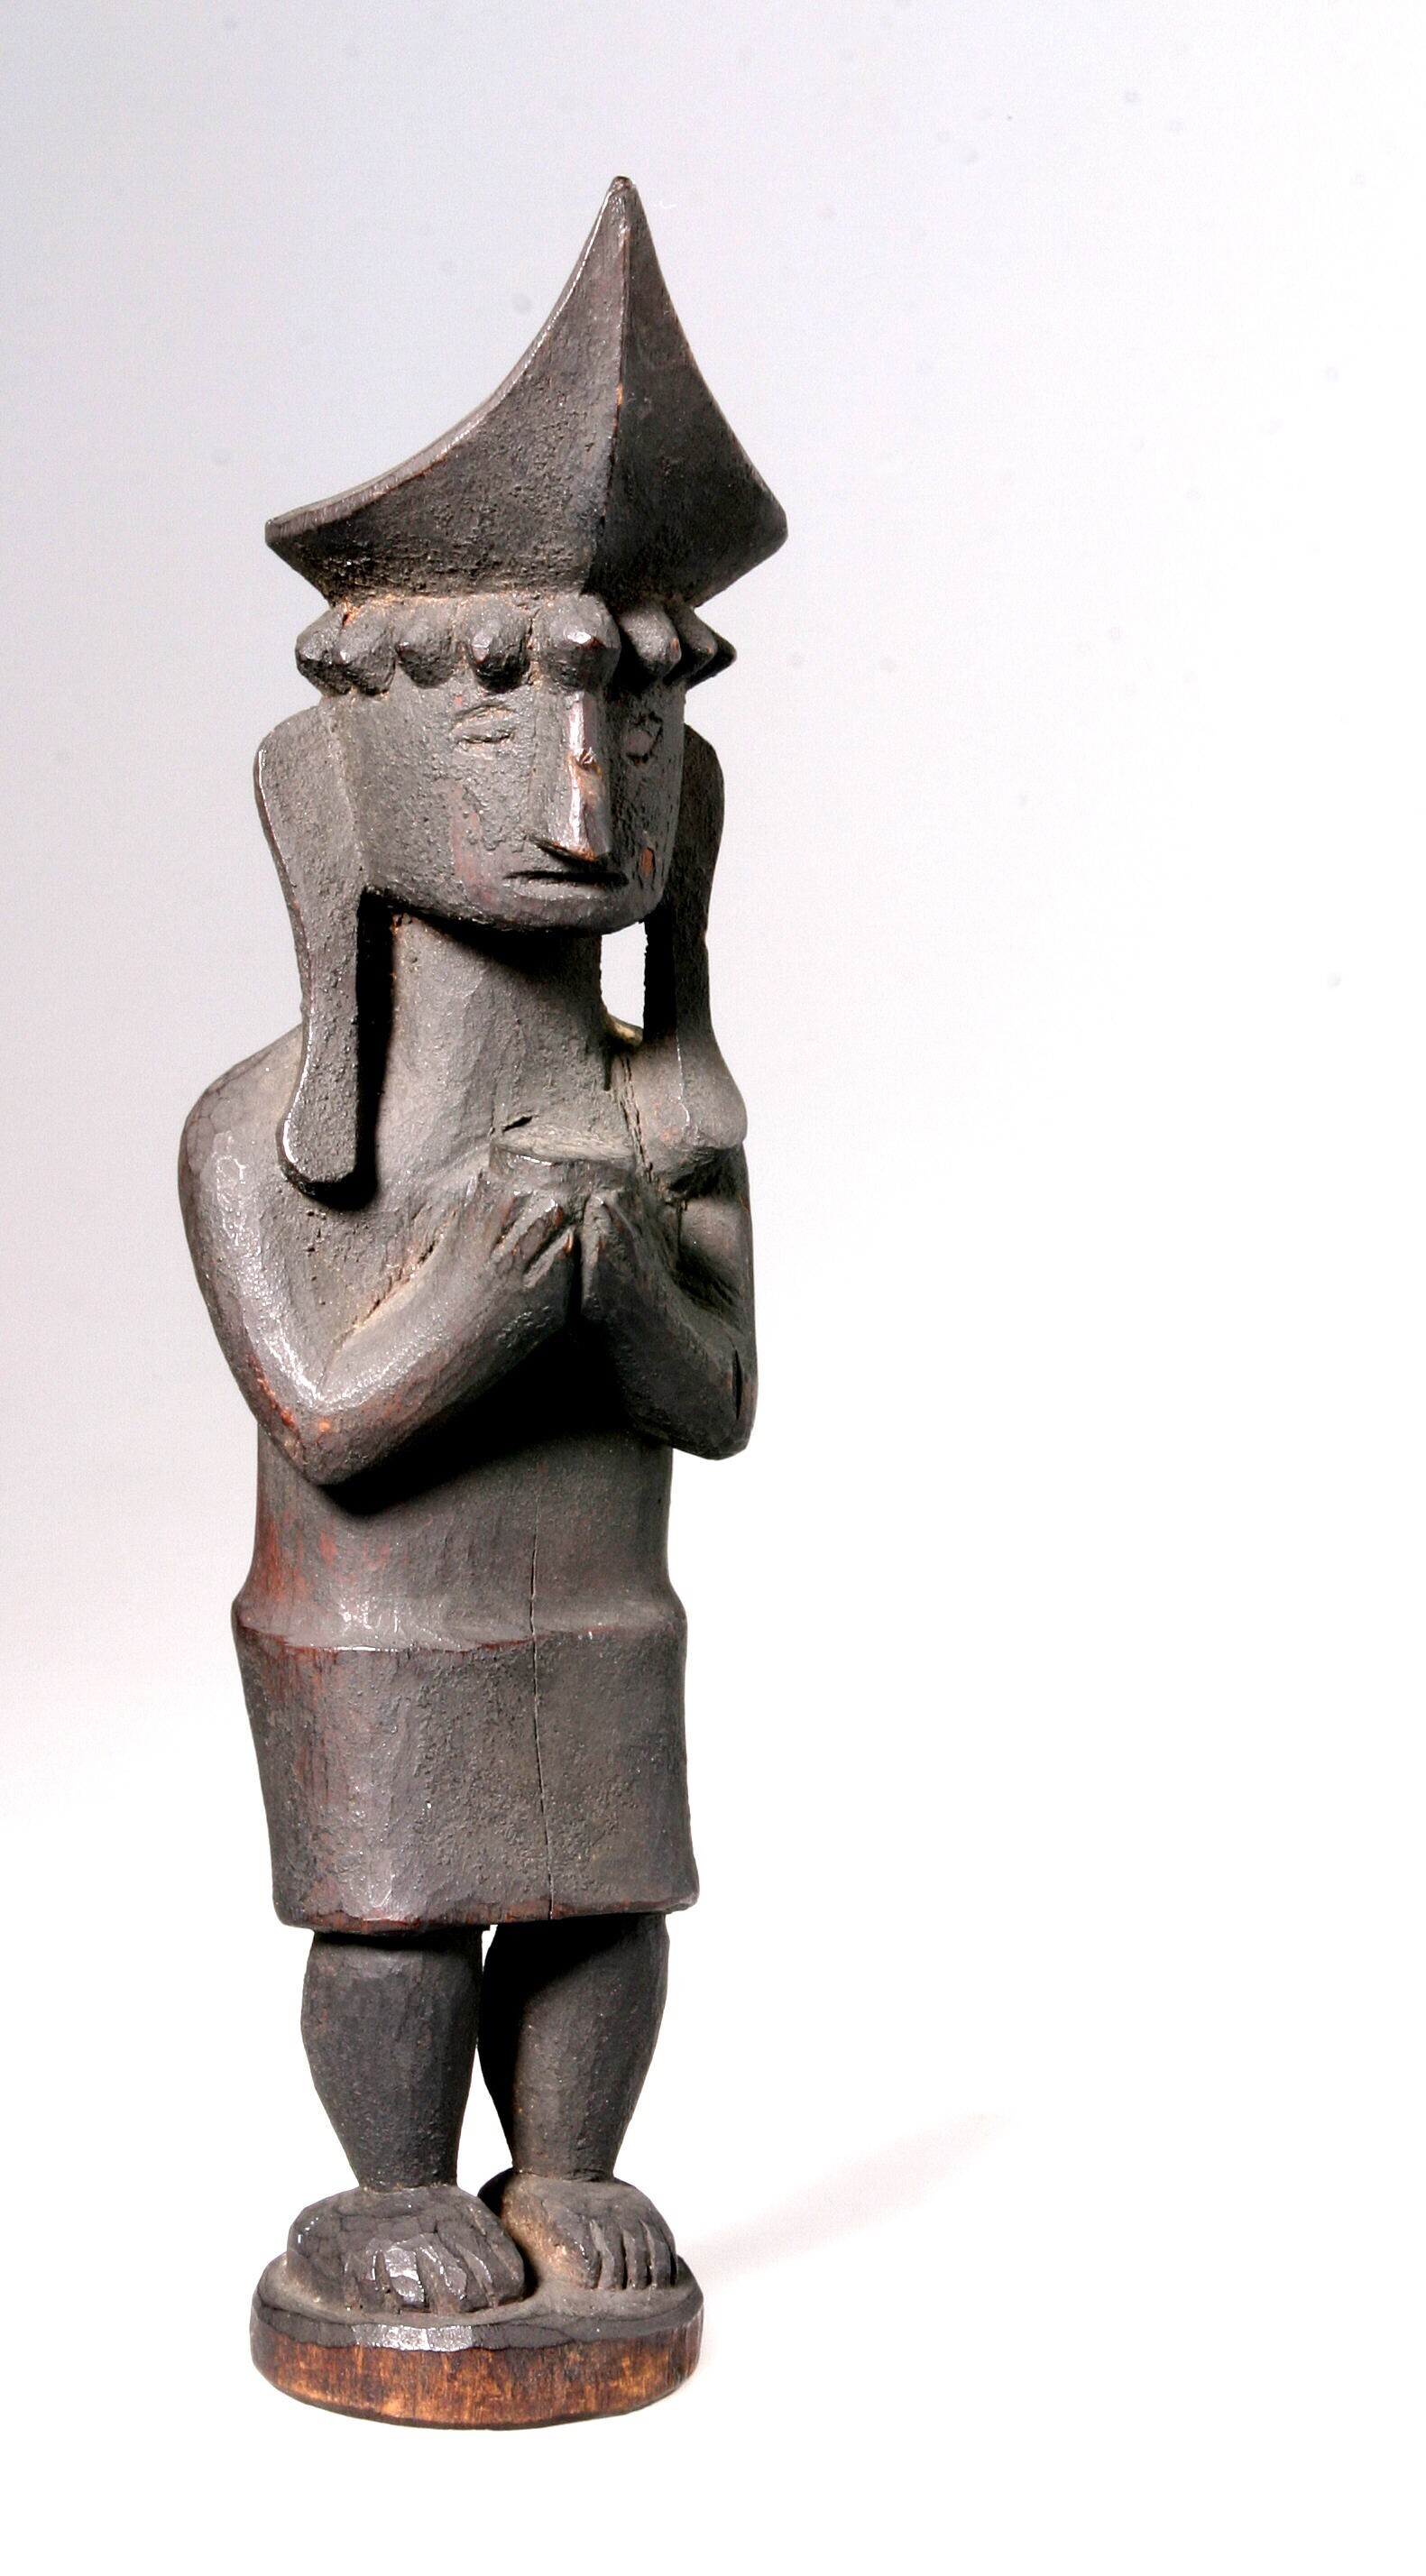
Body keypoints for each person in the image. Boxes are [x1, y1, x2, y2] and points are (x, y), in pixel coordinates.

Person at [180, 179, 786, 2316]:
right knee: (399, 1919)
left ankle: (569, 2172)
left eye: (632, 735)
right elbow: (332, 1429)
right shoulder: (263, 1138)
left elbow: (718, 1408)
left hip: (596, 1611)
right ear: (340, 780)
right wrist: (481, 1296)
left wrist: (619, 1286)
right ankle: (385, 2188)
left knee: (603, 1896)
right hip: (378, 1630)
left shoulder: (667, 1114)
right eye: (496, 728)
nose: (577, 801)